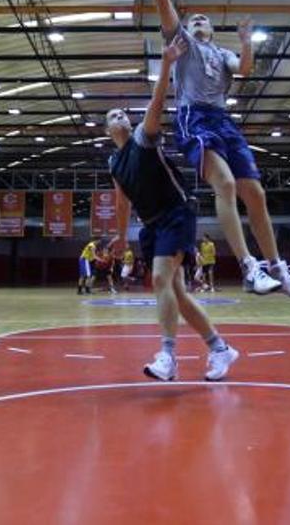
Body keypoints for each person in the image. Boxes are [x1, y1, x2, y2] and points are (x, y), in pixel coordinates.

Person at [137, 0, 290, 298]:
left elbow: (245, 69)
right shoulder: (182, 42)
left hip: (224, 120)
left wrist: (248, 42)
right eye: (193, 18)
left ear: (213, 30)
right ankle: (250, 266)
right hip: (193, 116)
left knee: (257, 195)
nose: (198, 21)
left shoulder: (221, 53)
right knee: (226, 184)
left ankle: (278, 267)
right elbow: (163, 1)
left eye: (205, 19)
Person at [106, 34, 239, 382]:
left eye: (122, 112)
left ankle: (167, 355)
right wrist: (120, 238)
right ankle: (220, 348)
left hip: (176, 212)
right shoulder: (113, 163)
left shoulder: (142, 136)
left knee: (162, 279)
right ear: (108, 129)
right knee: (176, 293)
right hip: (150, 225)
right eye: (113, 114)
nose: (120, 115)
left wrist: (166, 63)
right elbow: (121, 202)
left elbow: (157, 100)